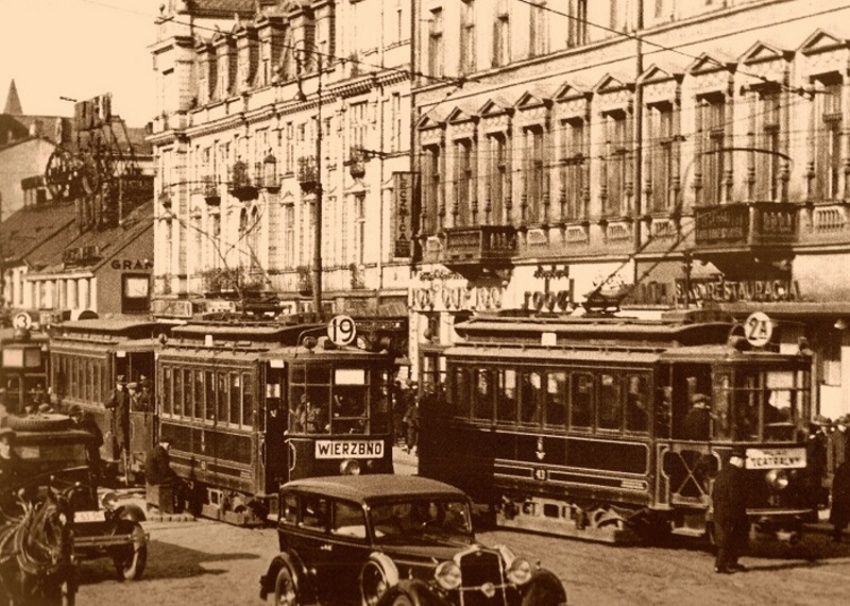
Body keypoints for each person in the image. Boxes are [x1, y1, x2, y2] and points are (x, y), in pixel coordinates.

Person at [711, 447, 750, 574]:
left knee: (729, 538)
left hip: (721, 511)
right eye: (743, 460)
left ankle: (730, 563)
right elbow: (735, 496)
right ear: (738, 460)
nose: (744, 463)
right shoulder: (735, 475)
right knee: (727, 540)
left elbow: (715, 494)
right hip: (731, 513)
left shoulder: (723, 472)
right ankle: (720, 566)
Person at [145, 436, 187, 513]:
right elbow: (165, 471)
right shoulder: (161, 453)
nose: (170, 448)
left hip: (150, 477)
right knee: (181, 484)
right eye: (169, 445)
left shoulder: (153, 450)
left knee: (176, 480)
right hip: (157, 478)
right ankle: (179, 507)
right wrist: (177, 477)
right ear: (164, 444)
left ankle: (174, 503)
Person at [69, 404, 104, 479]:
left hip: (91, 452)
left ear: (80, 415)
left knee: (93, 473)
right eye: (73, 416)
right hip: (79, 454)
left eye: (76, 415)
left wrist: (89, 446)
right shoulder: (71, 425)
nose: (75, 418)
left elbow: (99, 439)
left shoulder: (89, 424)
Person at [105, 375, 130, 459]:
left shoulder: (126, 394)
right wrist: (112, 401)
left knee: (124, 436)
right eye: (120, 385)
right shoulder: (113, 393)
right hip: (117, 419)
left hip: (125, 419)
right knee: (120, 436)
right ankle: (121, 452)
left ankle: (123, 452)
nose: (121, 387)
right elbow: (106, 404)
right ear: (117, 384)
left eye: (123, 385)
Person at [0, 427, 20, 518]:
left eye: (11, 445)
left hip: (14, 501)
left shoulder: (16, 459)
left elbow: (27, 474)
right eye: (6, 444)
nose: (8, 448)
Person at [830, 460, 850, 542]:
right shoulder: (844, 467)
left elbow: (836, 482)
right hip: (844, 496)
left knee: (840, 518)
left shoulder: (843, 466)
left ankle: (837, 536)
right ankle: (837, 535)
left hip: (842, 496)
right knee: (840, 517)